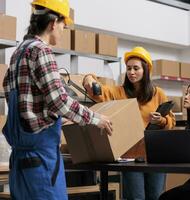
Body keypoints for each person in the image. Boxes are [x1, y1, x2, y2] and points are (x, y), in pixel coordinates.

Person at [2, 0, 113, 199]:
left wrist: (47, 115)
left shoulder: (18, 53)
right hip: (41, 163)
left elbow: (17, 97)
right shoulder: (41, 50)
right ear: (53, 22)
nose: (63, 30)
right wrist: (96, 119)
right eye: (64, 25)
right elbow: (59, 101)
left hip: (19, 162)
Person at [83, 46, 176, 200]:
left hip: (155, 154)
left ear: (146, 70)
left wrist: (161, 120)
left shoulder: (158, 93)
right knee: (136, 197)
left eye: (136, 68)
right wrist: (89, 78)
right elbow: (97, 92)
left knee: (156, 196)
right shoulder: (118, 92)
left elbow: (171, 122)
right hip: (130, 155)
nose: (131, 72)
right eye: (128, 68)